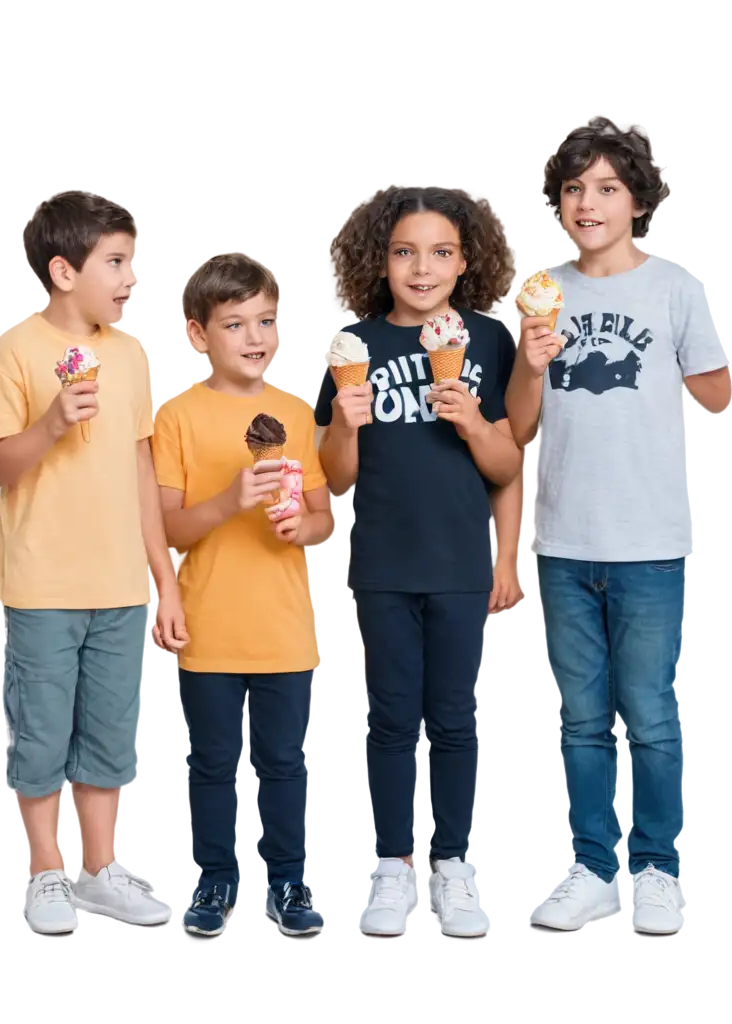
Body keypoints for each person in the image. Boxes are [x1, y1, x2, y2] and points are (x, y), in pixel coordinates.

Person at [507, 119, 732, 936]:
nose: (588, 202)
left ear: (638, 202)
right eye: (573, 189)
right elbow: (520, 424)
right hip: (564, 544)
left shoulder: (674, 288)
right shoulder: (542, 290)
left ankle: (660, 870)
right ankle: (593, 867)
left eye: (606, 187)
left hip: (650, 544)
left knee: (654, 717)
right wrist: (531, 363)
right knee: (581, 721)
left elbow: (714, 388)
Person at [0, 190, 188, 936]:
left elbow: (138, 468)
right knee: (39, 734)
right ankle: (47, 874)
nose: (131, 278)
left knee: (108, 734)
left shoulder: (128, 353)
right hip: (43, 585)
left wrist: (163, 580)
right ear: (64, 271)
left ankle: (99, 870)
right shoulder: (15, 348)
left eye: (134, 262)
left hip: (122, 585)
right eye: (116, 263)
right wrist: (52, 422)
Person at [316, 187, 523, 939]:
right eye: (405, 251)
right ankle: (392, 865)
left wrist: (472, 419)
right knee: (392, 716)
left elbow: (506, 463)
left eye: (440, 252)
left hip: (460, 558)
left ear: (465, 262)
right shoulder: (352, 342)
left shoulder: (490, 341)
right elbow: (336, 474)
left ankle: (457, 865)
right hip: (382, 559)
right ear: (383, 260)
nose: (422, 266)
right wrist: (344, 423)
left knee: (457, 716)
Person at [152, 254, 332, 938]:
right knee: (213, 765)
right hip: (210, 629)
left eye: (266, 321)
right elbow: (170, 525)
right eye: (236, 324)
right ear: (198, 334)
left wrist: (300, 524)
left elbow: (321, 517)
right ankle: (214, 883)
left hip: (283, 628)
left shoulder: (289, 410)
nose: (256, 337)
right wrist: (230, 499)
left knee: (286, 762)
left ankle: (288, 881)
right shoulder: (175, 415)